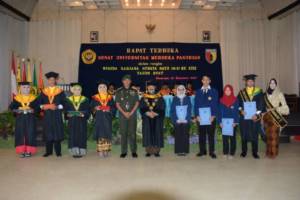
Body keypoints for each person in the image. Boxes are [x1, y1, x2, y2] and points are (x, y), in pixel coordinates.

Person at [39, 71, 66, 157]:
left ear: (55, 80)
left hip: (57, 114)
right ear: (48, 80)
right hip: (47, 115)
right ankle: (48, 151)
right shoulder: (43, 92)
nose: (51, 81)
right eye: (50, 80)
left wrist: (58, 107)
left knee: (57, 132)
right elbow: (39, 104)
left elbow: (64, 103)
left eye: (53, 80)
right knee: (48, 132)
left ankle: (58, 151)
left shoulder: (60, 91)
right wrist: (45, 106)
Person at [238, 74, 264, 159]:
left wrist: (256, 114)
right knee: (244, 134)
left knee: (254, 135)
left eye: (252, 81)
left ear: (254, 82)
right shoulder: (241, 92)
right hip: (244, 118)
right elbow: (238, 104)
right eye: (248, 81)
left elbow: (261, 105)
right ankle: (244, 151)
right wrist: (241, 110)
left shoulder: (259, 91)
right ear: (246, 82)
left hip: (254, 118)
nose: (250, 82)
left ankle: (255, 152)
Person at [9, 82, 38, 158]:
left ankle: (29, 151)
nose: (26, 89)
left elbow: (37, 108)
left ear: (30, 88)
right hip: (20, 119)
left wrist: (33, 110)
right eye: (24, 87)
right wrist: (17, 110)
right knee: (20, 134)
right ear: (20, 89)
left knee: (30, 133)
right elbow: (11, 107)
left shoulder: (34, 98)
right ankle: (22, 150)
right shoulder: (17, 98)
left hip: (30, 119)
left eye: (28, 87)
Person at [263, 78, 289, 158]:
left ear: (276, 84)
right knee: (268, 136)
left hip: (275, 117)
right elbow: (263, 106)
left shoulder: (279, 94)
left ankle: (273, 153)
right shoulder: (265, 94)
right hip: (267, 118)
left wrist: (276, 108)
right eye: (271, 83)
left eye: (274, 83)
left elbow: (285, 108)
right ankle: (268, 152)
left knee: (274, 137)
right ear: (269, 84)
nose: (272, 84)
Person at [115, 75, 140, 158]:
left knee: (132, 133)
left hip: (132, 115)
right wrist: (124, 113)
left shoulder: (134, 91)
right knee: (123, 133)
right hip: (122, 115)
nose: (126, 81)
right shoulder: (118, 91)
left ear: (130, 81)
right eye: (125, 80)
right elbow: (117, 104)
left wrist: (131, 112)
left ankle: (133, 151)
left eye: (128, 80)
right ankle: (124, 151)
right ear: (122, 81)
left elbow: (137, 103)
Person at [194, 75, 219, 159]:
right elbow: (196, 105)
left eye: (207, 80)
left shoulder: (214, 91)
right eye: (204, 80)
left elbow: (216, 104)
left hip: (210, 117)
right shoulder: (198, 92)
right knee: (201, 135)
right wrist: (197, 115)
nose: (205, 81)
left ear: (209, 81)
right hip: (200, 118)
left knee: (211, 135)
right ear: (202, 81)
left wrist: (213, 115)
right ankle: (202, 151)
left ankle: (212, 152)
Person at [140, 81, 165, 157]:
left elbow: (162, 107)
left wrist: (155, 113)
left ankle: (156, 151)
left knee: (157, 133)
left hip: (156, 118)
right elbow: (141, 107)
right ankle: (148, 151)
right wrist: (147, 113)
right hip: (147, 118)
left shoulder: (159, 97)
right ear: (147, 87)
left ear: (155, 87)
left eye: (152, 86)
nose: (151, 88)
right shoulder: (144, 97)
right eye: (149, 86)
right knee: (147, 133)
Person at [91, 80, 115, 158]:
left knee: (106, 134)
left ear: (106, 88)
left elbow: (114, 108)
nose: (102, 88)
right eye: (100, 87)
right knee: (100, 134)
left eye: (104, 87)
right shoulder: (95, 98)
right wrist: (95, 108)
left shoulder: (110, 98)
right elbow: (91, 108)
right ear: (98, 88)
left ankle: (106, 150)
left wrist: (109, 110)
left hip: (107, 119)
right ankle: (100, 150)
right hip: (99, 119)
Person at [65, 83, 90, 158]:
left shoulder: (85, 99)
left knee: (81, 135)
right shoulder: (68, 100)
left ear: (81, 90)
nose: (77, 91)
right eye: (75, 89)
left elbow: (88, 110)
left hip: (81, 121)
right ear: (72, 90)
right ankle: (74, 151)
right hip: (72, 121)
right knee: (73, 135)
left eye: (79, 89)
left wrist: (83, 114)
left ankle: (81, 151)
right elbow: (66, 110)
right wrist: (68, 114)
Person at [218, 85, 239, 159]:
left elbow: (237, 112)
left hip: (233, 123)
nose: (227, 91)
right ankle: (225, 152)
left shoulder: (235, 100)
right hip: (224, 123)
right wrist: (220, 122)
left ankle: (232, 153)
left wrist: (236, 122)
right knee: (225, 138)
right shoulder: (221, 100)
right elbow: (219, 112)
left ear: (231, 91)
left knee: (232, 138)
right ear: (224, 91)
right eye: (226, 90)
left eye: (229, 90)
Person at [170, 85, 192, 156]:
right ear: (177, 91)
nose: (181, 91)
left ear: (184, 90)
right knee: (178, 135)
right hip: (177, 121)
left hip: (186, 121)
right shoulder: (174, 98)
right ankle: (179, 151)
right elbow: (172, 111)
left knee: (185, 135)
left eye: (182, 89)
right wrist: (176, 119)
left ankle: (185, 150)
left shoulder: (187, 98)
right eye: (179, 89)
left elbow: (189, 109)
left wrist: (187, 119)